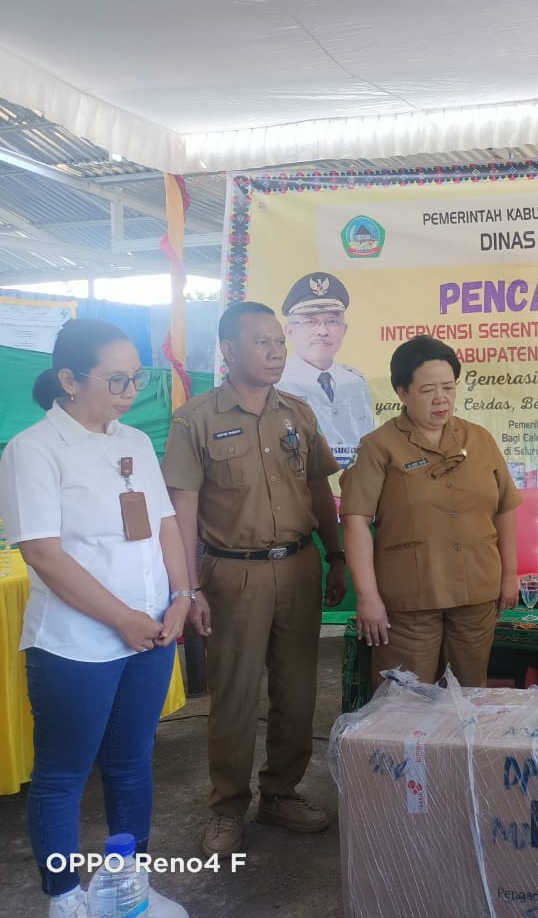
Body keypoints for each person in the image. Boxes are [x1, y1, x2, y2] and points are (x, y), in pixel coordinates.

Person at [0, 319, 191, 918]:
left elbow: (163, 524)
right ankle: (64, 900)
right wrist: (124, 619)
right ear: (69, 379)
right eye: (116, 378)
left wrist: (182, 593)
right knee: (64, 773)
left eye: (137, 378)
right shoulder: (32, 449)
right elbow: (42, 552)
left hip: (153, 631)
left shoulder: (133, 441)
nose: (129, 389)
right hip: (76, 644)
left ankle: (129, 885)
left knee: (133, 760)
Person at [161, 302, 346, 858]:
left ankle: (282, 793)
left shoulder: (298, 412)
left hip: (298, 566)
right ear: (228, 350)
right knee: (235, 696)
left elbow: (319, 491)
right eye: (261, 342)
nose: (274, 352)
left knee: (297, 692)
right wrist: (188, 588)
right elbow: (182, 509)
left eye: (278, 343)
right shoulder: (195, 420)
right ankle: (227, 808)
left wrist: (334, 556)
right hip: (230, 574)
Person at [339, 336, 520, 688]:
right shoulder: (378, 447)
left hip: (476, 593)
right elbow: (356, 522)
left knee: (468, 697)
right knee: (404, 703)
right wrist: (368, 597)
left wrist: (509, 574)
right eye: (428, 390)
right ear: (402, 392)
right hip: (410, 601)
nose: (442, 399)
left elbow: (505, 509)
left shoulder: (480, 440)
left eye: (449, 387)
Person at [277, 271, 374, 467]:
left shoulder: (355, 381)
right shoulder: (275, 382)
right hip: (300, 487)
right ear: (289, 331)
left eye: (331, 321)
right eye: (310, 321)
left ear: (343, 329)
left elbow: (367, 441)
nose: (322, 331)